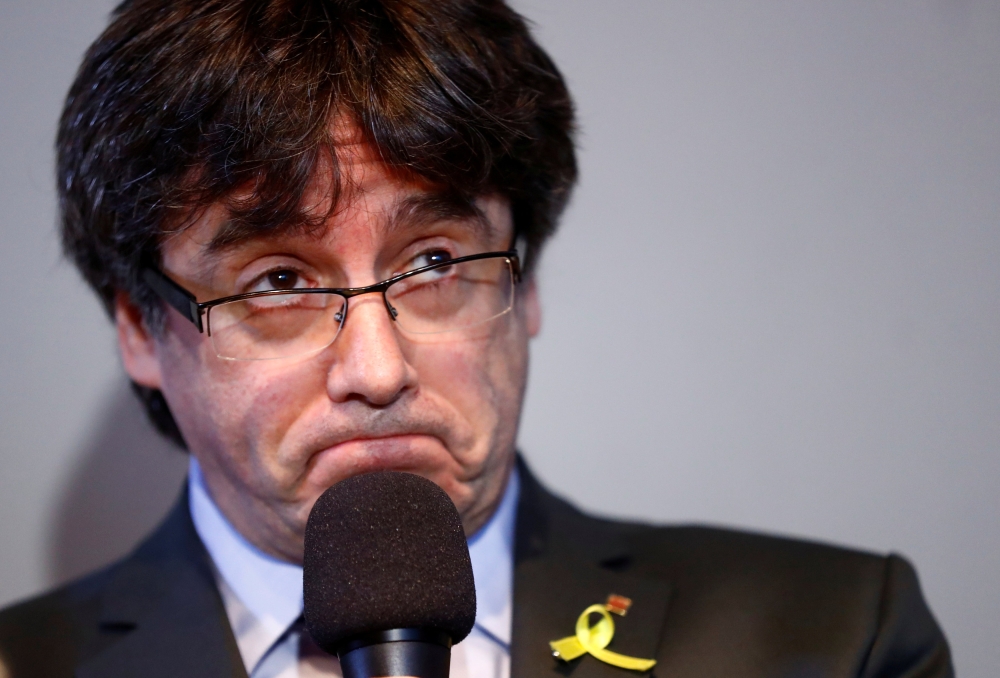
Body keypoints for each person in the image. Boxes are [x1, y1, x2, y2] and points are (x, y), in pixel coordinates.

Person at [0, 1, 952, 677]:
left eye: (434, 262)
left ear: (525, 284)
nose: (378, 371)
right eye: (280, 282)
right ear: (140, 328)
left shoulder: (833, 638)